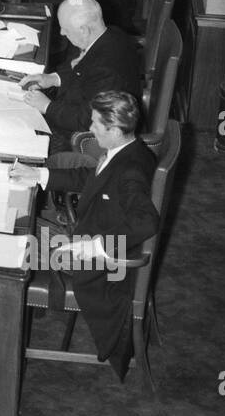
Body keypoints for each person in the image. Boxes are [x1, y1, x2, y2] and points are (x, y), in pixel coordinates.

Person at [11, 90, 159, 381]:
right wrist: (39, 176)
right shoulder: (129, 149)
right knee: (22, 219)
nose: (89, 129)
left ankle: (16, 315)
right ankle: (32, 311)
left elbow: (146, 221)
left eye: (95, 124)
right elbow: (90, 180)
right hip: (88, 232)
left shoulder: (131, 172)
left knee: (15, 238)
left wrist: (96, 248)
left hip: (100, 264)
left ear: (115, 129)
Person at [19, 0, 143, 153]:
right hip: (78, 107)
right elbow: (81, 67)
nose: (62, 33)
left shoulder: (107, 70)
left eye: (66, 29)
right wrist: (52, 78)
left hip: (84, 139)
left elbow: (86, 119)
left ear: (84, 30)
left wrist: (47, 106)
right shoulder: (111, 35)